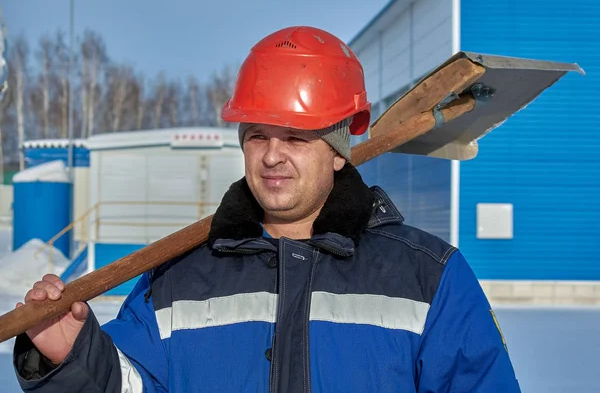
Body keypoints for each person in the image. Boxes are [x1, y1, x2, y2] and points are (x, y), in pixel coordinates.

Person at [13, 26, 521, 392]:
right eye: (257, 134)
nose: (272, 155)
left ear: (338, 148)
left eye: (295, 137)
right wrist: (73, 355)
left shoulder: (428, 279)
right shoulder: (176, 280)